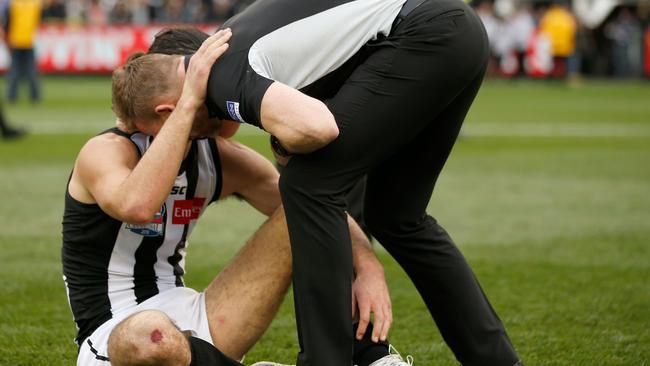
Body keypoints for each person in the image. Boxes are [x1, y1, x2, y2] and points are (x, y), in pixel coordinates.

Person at [112, 0, 524, 364]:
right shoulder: (229, 48)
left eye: (174, 132)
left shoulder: (219, 73)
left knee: (308, 186)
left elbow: (318, 127)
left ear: (170, 109)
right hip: (454, 33)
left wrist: (278, 138)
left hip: (424, 35)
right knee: (399, 217)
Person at [63, 29, 403, 366]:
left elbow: (315, 205)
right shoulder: (105, 151)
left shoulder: (218, 157)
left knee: (300, 204)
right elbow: (136, 206)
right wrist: (190, 102)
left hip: (197, 315)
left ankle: (370, 356)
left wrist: (367, 265)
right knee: (150, 339)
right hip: (117, 332)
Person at [2, 0, 42, 103]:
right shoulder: (35, 4)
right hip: (29, 40)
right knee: (32, 70)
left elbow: (7, 23)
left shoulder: (14, 4)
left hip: (16, 40)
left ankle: (12, 96)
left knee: (14, 70)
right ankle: (35, 96)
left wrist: (7, 38)